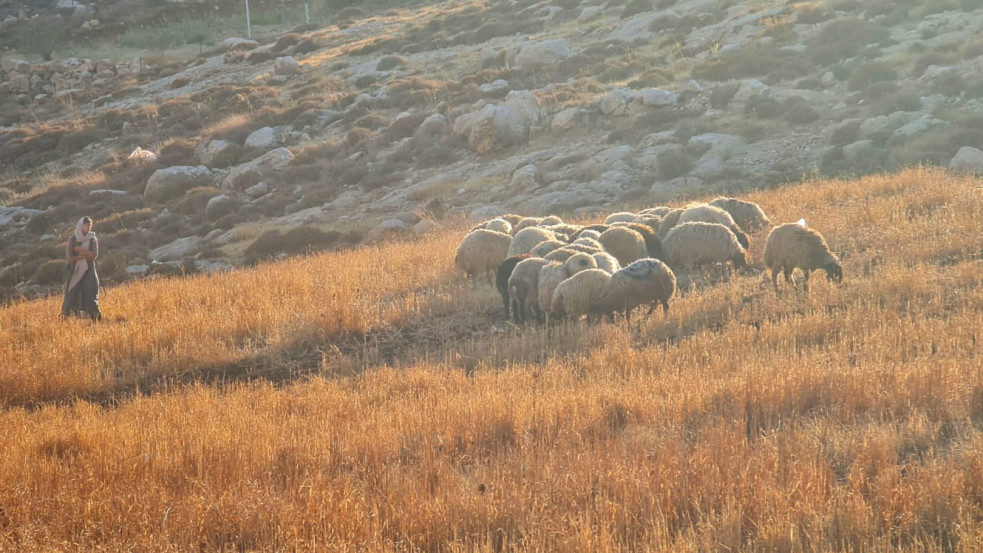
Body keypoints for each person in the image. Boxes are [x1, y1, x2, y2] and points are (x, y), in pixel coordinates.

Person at [61, 216, 103, 321]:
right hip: (75, 272)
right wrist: (85, 255)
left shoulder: (92, 238)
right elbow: (71, 258)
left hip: (89, 272)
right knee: (71, 295)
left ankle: (96, 319)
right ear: (81, 225)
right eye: (87, 225)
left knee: (90, 295)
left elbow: (93, 256)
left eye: (90, 225)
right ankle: (64, 319)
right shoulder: (73, 239)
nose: (89, 227)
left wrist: (81, 250)